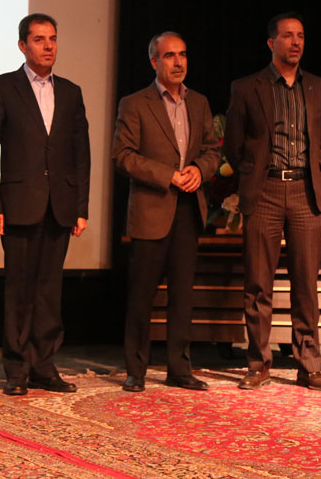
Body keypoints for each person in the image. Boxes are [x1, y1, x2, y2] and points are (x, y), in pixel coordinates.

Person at [0, 13, 90, 396]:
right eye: (39, 39)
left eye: (52, 38)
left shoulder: (71, 92)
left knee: (49, 291)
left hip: (60, 205)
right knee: (20, 290)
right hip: (18, 204)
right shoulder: (2, 87)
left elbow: (81, 153)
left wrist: (81, 207)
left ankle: (44, 366)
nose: (48, 46)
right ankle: (17, 370)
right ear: (23, 45)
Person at [224, 12, 321, 391]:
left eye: (300, 35)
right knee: (258, 283)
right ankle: (258, 363)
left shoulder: (319, 87)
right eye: (288, 36)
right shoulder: (247, 87)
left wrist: (306, 169)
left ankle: (309, 365)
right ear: (271, 43)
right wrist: (255, 173)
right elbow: (234, 145)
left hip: (305, 191)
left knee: (306, 283)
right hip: (265, 191)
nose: (296, 42)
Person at [112, 32, 221, 392]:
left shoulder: (199, 102)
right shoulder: (135, 103)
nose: (178, 62)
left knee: (182, 296)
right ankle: (136, 370)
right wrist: (168, 175)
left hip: (189, 210)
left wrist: (199, 170)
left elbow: (212, 150)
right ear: (154, 62)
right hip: (151, 211)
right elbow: (122, 156)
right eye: (170, 56)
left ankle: (179, 369)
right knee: (142, 296)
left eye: (183, 55)